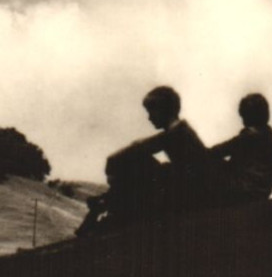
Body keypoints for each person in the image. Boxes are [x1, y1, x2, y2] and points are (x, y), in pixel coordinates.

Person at [81, 85, 210, 234]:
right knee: (142, 164)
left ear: (164, 109)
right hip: (185, 189)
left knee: (139, 162)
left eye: (151, 111)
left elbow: (134, 149)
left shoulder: (177, 133)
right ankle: (110, 203)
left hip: (190, 194)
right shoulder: (178, 131)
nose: (149, 118)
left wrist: (112, 167)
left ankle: (111, 206)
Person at [209, 93, 272, 206]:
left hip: (243, 193)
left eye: (244, 116)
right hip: (259, 194)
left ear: (249, 117)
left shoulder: (250, 137)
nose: (242, 122)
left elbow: (217, 151)